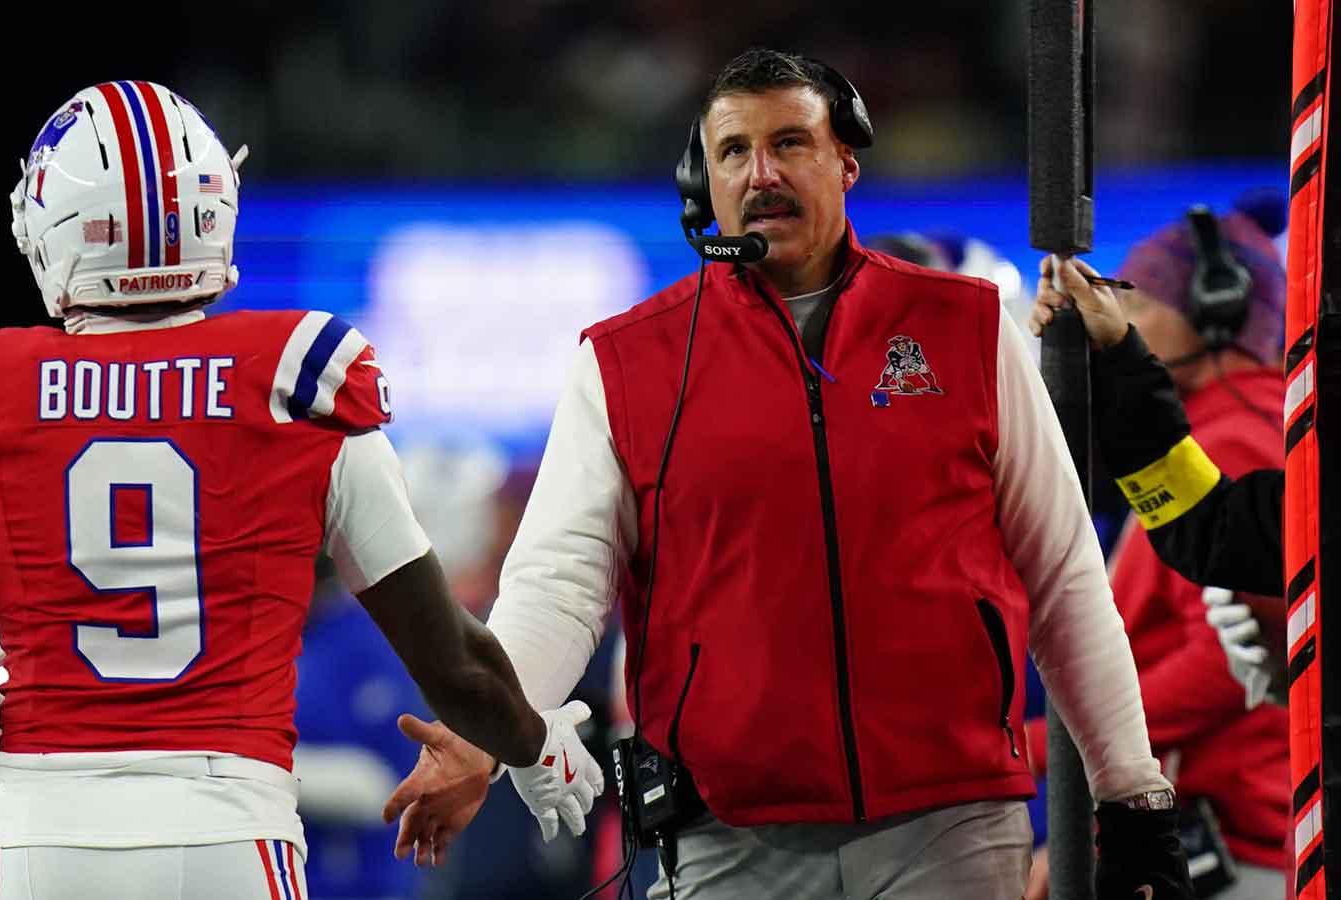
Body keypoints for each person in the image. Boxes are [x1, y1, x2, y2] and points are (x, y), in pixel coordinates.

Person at [384, 48, 1191, 900]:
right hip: (728, 838)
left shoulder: (967, 327)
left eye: (790, 142)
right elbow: (557, 589)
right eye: (733, 151)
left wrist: (1132, 796)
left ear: (846, 160)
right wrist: (482, 736)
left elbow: (1064, 575)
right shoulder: (627, 362)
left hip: (948, 827)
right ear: (706, 181)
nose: (761, 173)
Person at [0, 81, 602, 900]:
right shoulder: (299, 380)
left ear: (51, 229)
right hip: (231, 833)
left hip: (50, 847)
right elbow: (455, 663)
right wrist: (535, 748)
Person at [1022, 207, 1290, 900]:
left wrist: (1052, 739)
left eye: (1135, 291)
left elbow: (1229, 662)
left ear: (1216, 310)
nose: (1117, 307)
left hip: (1226, 842)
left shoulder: (1232, 439)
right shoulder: (1232, 427)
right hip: (1219, 832)